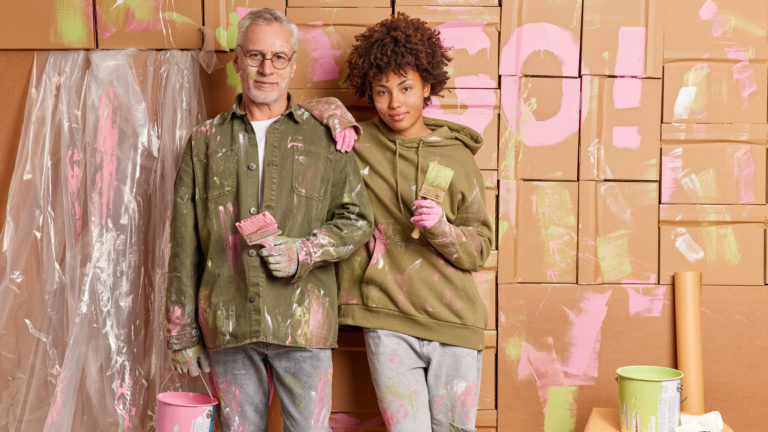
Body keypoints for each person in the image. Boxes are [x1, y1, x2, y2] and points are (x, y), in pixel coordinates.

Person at [165, 8, 373, 432]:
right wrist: (181, 332)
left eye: (279, 57)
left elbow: (357, 218)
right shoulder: (204, 142)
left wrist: (305, 250)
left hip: (303, 322)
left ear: (293, 63)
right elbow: (185, 244)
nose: (266, 68)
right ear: (237, 60)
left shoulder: (325, 137)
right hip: (228, 320)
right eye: (255, 55)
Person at [310, 12, 493, 432]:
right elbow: (292, 112)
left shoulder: (455, 155)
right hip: (386, 320)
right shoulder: (358, 141)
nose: (395, 103)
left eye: (406, 88)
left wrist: (443, 228)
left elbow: (481, 247)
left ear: (428, 85)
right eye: (382, 91)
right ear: (369, 92)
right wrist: (335, 113)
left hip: (453, 321)